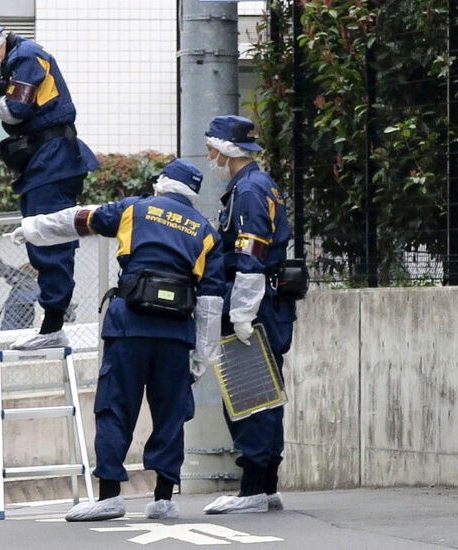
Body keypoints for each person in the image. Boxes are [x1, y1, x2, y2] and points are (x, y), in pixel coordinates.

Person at [5, 159, 225, 521]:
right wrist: (203, 355)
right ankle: (163, 498)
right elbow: (211, 300)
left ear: (162, 184)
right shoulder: (205, 231)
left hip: (130, 328)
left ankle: (109, 496)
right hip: (175, 335)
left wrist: (32, 229)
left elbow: (79, 219)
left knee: (115, 409)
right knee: (170, 414)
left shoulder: (135, 210)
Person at [0, 23, 98, 350]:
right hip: (44, 160)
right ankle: (51, 324)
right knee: (40, 237)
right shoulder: (16, 58)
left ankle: (52, 325)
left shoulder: (27, 56)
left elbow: (15, 111)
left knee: (50, 237)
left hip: (53, 160)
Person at [199, 115, 297, 514]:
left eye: (211, 150)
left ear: (225, 151)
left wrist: (241, 313)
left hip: (254, 305)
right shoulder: (257, 185)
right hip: (267, 304)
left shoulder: (250, 191)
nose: (209, 157)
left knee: (249, 395)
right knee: (265, 396)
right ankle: (265, 485)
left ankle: (253, 488)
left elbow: (250, 257)